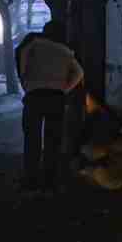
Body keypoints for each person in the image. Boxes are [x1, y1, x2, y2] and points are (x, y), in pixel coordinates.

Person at [18, 20, 84, 193]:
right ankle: (49, 181)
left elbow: (22, 61)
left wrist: (25, 82)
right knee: (53, 140)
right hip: (56, 98)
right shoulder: (66, 51)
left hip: (34, 96)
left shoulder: (33, 45)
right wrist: (65, 89)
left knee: (32, 139)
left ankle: (31, 180)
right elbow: (79, 73)